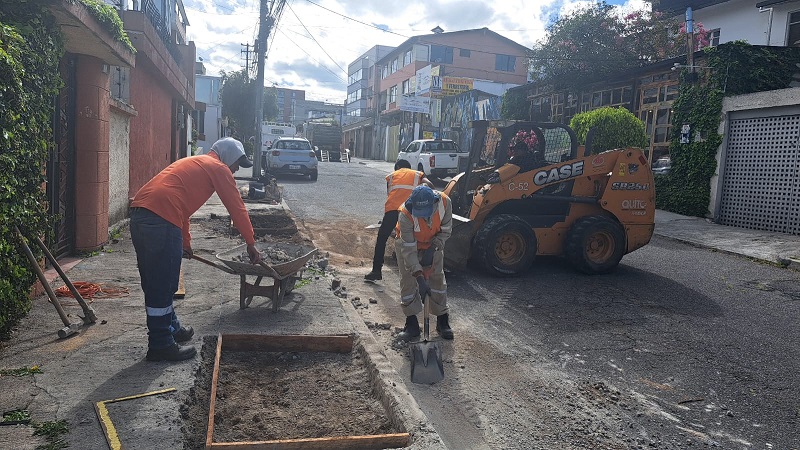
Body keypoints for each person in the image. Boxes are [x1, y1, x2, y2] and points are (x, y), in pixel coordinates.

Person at [129, 137, 263, 362]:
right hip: (162, 219)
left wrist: (185, 243)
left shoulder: (196, 162)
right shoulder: (218, 168)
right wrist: (250, 242)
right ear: (228, 157)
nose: (237, 169)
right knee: (162, 284)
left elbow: (183, 207)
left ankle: (171, 328)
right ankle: (160, 344)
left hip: (141, 216)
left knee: (156, 280)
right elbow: (236, 207)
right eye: (237, 163)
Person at [394, 185, 454, 340]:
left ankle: (442, 321)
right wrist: (420, 277)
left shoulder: (445, 203)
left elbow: (446, 230)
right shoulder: (405, 215)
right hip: (407, 244)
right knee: (408, 280)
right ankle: (411, 324)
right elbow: (409, 250)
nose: (422, 217)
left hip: (434, 243)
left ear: (434, 203)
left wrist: (433, 248)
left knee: (437, 280)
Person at [364, 160, 431, 281]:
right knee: (416, 237)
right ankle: (421, 269)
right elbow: (429, 185)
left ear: (398, 167)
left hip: (393, 210)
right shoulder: (418, 174)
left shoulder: (391, 176)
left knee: (382, 238)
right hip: (411, 210)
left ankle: (376, 270)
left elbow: (390, 194)